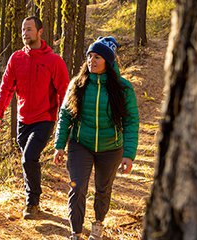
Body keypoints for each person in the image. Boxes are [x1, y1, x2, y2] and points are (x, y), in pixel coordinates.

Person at [52, 36, 139, 240]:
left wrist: (129, 154)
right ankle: (75, 232)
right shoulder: (78, 84)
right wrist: (59, 145)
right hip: (80, 144)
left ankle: (98, 223)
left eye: (97, 56)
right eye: (89, 56)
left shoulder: (123, 88)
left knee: (103, 189)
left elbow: (131, 122)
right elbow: (65, 115)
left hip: (111, 148)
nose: (91, 60)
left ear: (108, 61)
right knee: (77, 185)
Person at [0, 16, 70, 219]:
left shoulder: (54, 61)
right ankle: (34, 198)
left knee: (28, 158)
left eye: (29, 29)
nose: (25, 33)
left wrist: (65, 121)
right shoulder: (16, 58)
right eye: (23, 30)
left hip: (45, 118)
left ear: (40, 31)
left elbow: (65, 93)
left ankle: (32, 202)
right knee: (29, 160)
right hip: (23, 120)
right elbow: (6, 88)